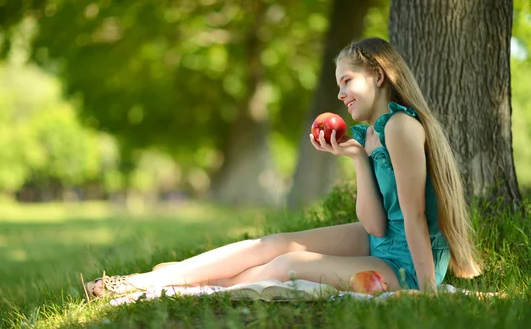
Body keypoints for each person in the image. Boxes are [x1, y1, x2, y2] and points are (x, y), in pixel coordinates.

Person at [84, 37, 482, 299]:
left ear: (378, 76)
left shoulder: (400, 126)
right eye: (338, 84)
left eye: (347, 81)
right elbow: (375, 225)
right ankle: (152, 280)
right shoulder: (370, 136)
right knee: (273, 244)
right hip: (382, 241)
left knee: (288, 265)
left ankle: (186, 285)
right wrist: (357, 158)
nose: (340, 94)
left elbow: (413, 215)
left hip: (410, 263)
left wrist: (428, 290)